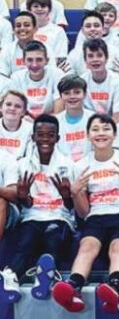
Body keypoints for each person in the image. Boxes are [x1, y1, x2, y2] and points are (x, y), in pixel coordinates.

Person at [52, 114, 119, 313]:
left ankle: (114, 287)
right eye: (95, 129)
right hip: (96, 216)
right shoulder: (80, 165)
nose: (100, 133)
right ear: (87, 135)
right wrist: (76, 192)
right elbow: (83, 212)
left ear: (114, 134)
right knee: (87, 246)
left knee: (118, 246)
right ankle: (73, 287)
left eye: (106, 129)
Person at [0, 115, 75, 303]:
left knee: (53, 242)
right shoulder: (23, 164)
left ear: (58, 138)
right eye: (40, 135)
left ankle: (44, 277)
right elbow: (25, 204)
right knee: (25, 244)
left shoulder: (68, 164)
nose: (45, 140)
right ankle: (11, 276)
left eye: (50, 135)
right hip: (32, 216)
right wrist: (23, 196)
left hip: (59, 216)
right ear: (33, 137)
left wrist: (67, 196)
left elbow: (72, 207)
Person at [9, 40, 63, 118]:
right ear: (24, 61)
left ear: (47, 61)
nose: (34, 65)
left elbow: (59, 111)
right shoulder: (16, 77)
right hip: (25, 121)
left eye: (39, 60)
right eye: (30, 60)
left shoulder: (57, 74)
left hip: (52, 122)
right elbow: (16, 107)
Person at [80, 39, 119, 122]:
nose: (95, 59)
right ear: (85, 60)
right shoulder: (81, 82)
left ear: (106, 58)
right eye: (90, 56)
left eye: (99, 55)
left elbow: (118, 117)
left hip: (113, 128)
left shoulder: (118, 82)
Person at [68, 10, 119, 75]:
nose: (92, 29)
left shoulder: (115, 52)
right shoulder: (74, 54)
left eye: (96, 25)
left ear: (103, 28)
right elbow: (68, 80)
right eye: (88, 26)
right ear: (82, 30)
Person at [56, 75, 94, 162]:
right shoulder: (56, 122)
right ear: (61, 96)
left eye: (77, 92)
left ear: (84, 94)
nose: (72, 96)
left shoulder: (94, 119)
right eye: (67, 93)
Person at [26, 0, 68, 66]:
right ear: (29, 10)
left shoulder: (58, 31)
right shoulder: (23, 31)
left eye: (43, 6)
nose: (39, 9)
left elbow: (61, 58)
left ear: (49, 10)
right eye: (36, 6)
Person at [0, 11, 38, 77]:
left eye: (26, 25)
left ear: (35, 28)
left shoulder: (46, 49)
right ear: (14, 30)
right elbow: (3, 76)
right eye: (18, 26)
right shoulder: (7, 50)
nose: (22, 28)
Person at [0, 91, 33, 159]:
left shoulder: (30, 130)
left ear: (23, 112)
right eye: (8, 104)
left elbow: (28, 159)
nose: (12, 108)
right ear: (1, 107)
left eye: (17, 106)